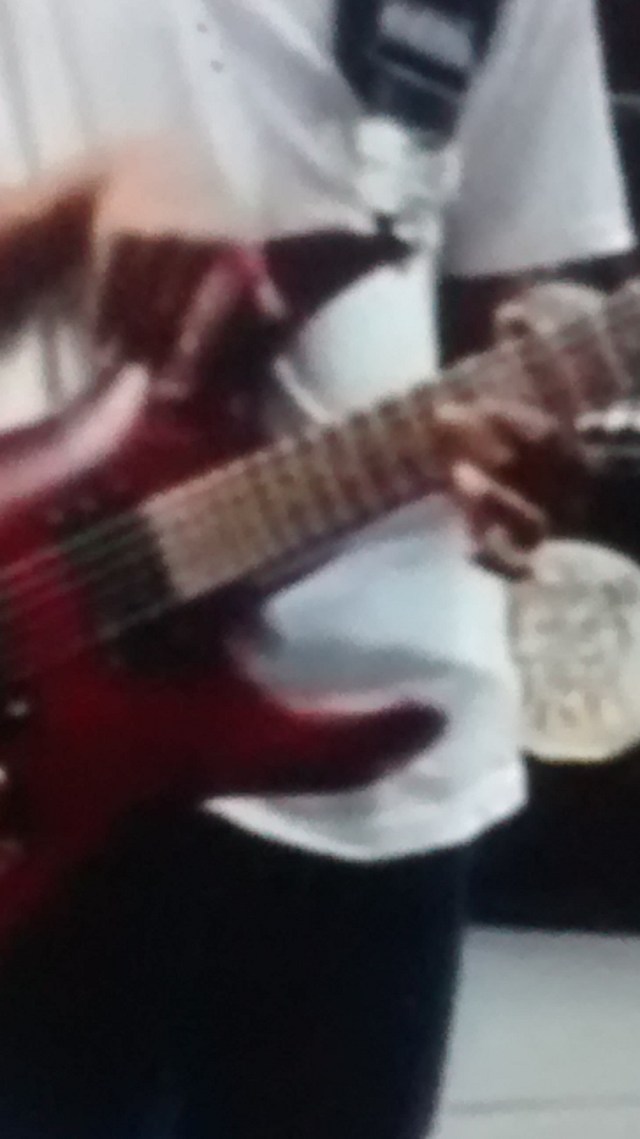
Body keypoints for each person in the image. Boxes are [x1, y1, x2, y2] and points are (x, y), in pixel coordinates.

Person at [0, 2, 631, 1137]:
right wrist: (76, 204)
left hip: (378, 729)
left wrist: (535, 388)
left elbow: (539, 255)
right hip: (40, 691)